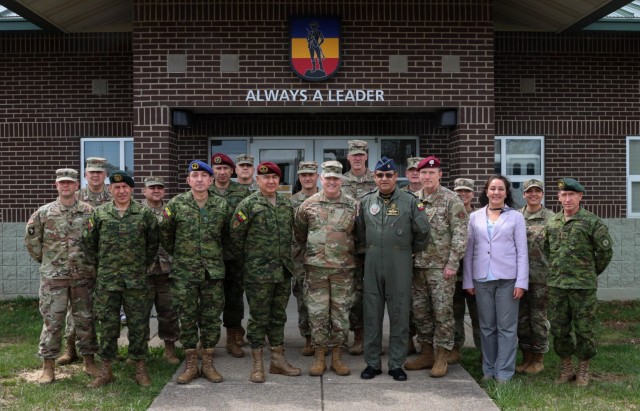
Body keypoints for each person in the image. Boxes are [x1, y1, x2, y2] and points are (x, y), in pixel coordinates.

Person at [356, 157, 430, 382]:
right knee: (371, 314)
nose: (384, 179)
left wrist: (405, 251)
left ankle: (396, 364)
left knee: (399, 314)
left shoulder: (409, 201)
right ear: (374, 177)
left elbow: (423, 232)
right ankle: (372, 363)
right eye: (380, 175)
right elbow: (359, 232)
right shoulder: (366, 202)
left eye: (389, 175)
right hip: (372, 262)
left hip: (399, 261)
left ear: (395, 177)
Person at [84, 170, 159, 388]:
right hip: (108, 281)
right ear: (110, 190)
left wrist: (141, 267)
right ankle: (106, 370)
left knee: (138, 324)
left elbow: (152, 245)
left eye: (125, 186)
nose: (121, 190)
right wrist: (103, 267)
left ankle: (140, 368)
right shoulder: (99, 214)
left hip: (136, 281)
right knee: (108, 325)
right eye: (116, 187)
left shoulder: (144, 215)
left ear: (132, 189)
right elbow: (89, 244)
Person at [25, 168, 99, 384]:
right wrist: (47, 262)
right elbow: (32, 241)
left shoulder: (89, 212)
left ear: (77, 186)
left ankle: (89, 361)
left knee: (86, 320)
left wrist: (90, 264)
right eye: (61, 183)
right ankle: (48, 367)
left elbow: (97, 241)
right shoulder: (43, 213)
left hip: (82, 277)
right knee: (53, 321)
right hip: (54, 279)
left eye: (70, 183)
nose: (65, 186)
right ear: (56, 186)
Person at [229, 162, 301, 383]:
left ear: (279, 181)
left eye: (274, 178)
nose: (270, 181)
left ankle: (277, 360)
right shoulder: (248, 205)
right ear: (257, 180)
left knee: (278, 316)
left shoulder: (286, 205)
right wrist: (253, 260)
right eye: (266, 178)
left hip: (282, 271)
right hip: (258, 274)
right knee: (259, 318)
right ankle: (258, 363)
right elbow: (235, 236)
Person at [160, 160, 229, 384]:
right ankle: (191, 364)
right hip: (184, 273)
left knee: (210, 318)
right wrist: (183, 255)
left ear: (211, 180)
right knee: (187, 318)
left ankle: (207, 364)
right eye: (194, 176)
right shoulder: (176, 205)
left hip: (212, 272)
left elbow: (229, 238)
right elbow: (166, 236)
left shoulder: (222, 205)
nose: (199, 180)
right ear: (188, 180)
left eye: (204, 177)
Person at [543, 178, 613, 386]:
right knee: (559, 329)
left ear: (580, 196)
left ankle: (583, 369)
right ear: (558, 197)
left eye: (571, 194)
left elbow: (604, 252)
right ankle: (566, 367)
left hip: (583, 287)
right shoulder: (553, 222)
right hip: (557, 286)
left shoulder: (592, 222)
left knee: (584, 329)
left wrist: (589, 272)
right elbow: (548, 249)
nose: (567, 199)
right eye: (563, 195)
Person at [405, 156, 468, 378]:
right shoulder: (412, 199)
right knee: (420, 313)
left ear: (440, 175)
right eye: (423, 173)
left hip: (441, 269)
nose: (427, 177)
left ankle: (442, 355)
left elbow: (460, 234)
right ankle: (427, 352)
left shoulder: (452, 200)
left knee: (442, 313)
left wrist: (452, 264)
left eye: (432, 173)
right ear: (418, 176)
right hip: (416, 267)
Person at [294, 160, 357, 376]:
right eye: (328, 178)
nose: (332, 182)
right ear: (321, 179)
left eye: (336, 178)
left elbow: (359, 235)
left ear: (342, 180)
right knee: (318, 313)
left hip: (342, 270)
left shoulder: (352, 205)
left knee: (340, 314)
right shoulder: (308, 205)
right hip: (316, 270)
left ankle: (337, 357)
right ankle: (320, 357)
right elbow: (300, 235)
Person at [463, 174, 528, 383]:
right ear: (486, 191)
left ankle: (504, 373)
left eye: (500, 189)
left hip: (508, 279)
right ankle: (489, 371)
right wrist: (468, 281)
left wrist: (521, 282)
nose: (496, 192)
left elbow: (522, 252)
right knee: (487, 327)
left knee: (507, 328)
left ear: (506, 192)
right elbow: (469, 251)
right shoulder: (475, 217)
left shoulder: (516, 217)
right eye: (492, 188)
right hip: (482, 279)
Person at [55, 157, 112, 367]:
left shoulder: (112, 196)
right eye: (91, 172)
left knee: (104, 308)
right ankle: (70, 348)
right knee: (75, 309)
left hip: (105, 262)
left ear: (105, 175)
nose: (96, 175)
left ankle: (106, 349)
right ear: (85, 176)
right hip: (79, 265)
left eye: (99, 172)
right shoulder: (75, 197)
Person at [210, 153, 252, 358]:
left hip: (235, 254)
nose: (222, 172)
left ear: (232, 171)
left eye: (226, 168)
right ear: (213, 171)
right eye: (218, 168)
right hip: (210, 254)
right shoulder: (203, 191)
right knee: (210, 298)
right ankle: (207, 339)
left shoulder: (242, 192)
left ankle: (232, 338)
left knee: (234, 297)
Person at [515, 179, 554, 375]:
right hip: (519, 278)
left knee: (538, 320)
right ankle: (526, 357)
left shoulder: (552, 218)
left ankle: (538, 359)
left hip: (541, 278)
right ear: (523, 195)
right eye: (529, 192)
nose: (533, 194)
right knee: (521, 320)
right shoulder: (516, 217)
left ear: (542, 194)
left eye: (537, 191)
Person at [342, 139, 377, 356]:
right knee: (352, 294)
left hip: (372, 247)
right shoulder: (340, 181)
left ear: (366, 157)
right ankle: (358, 335)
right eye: (353, 154)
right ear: (348, 157)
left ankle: (371, 336)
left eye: (361, 154)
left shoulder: (377, 179)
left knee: (373, 293)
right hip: (347, 249)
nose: (357, 158)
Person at [140, 176, 180, 365]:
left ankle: (170, 350)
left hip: (167, 271)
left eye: (159, 188)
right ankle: (140, 352)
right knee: (140, 314)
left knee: (169, 313)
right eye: (152, 188)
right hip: (143, 272)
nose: (156, 191)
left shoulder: (171, 211)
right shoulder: (136, 211)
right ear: (144, 191)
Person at [289, 160, 320, 356]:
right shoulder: (291, 202)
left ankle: (325, 338)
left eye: (311, 174)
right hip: (300, 259)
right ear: (299, 177)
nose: (307, 178)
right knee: (303, 299)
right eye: (303, 175)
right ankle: (308, 338)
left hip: (323, 258)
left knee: (325, 301)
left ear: (317, 176)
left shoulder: (326, 198)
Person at [451, 177, 481, 364]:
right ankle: (455, 348)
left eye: (467, 191)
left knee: (479, 316)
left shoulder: (479, 216)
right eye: (459, 191)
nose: (463, 195)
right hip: (454, 273)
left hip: (476, 274)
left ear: (473, 194)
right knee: (454, 314)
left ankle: (484, 352)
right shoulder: (450, 212)